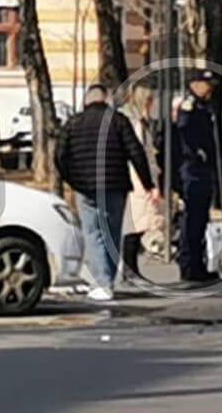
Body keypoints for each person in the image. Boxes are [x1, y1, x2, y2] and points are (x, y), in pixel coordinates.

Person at [57, 84, 158, 301]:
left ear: (86, 101)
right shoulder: (118, 121)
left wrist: (72, 180)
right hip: (115, 186)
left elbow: (59, 155)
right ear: (106, 99)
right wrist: (147, 182)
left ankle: (102, 283)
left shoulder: (73, 123)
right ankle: (107, 280)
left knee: (93, 234)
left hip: (85, 188)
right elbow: (135, 152)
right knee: (112, 233)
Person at [172, 69, 222, 284]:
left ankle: (198, 264)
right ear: (195, 84)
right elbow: (184, 134)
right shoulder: (188, 106)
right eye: (206, 84)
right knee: (191, 220)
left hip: (201, 170)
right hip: (191, 169)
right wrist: (197, 152)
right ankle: (188, 265)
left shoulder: (203, 105)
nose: (210, 88)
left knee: (200, 219)